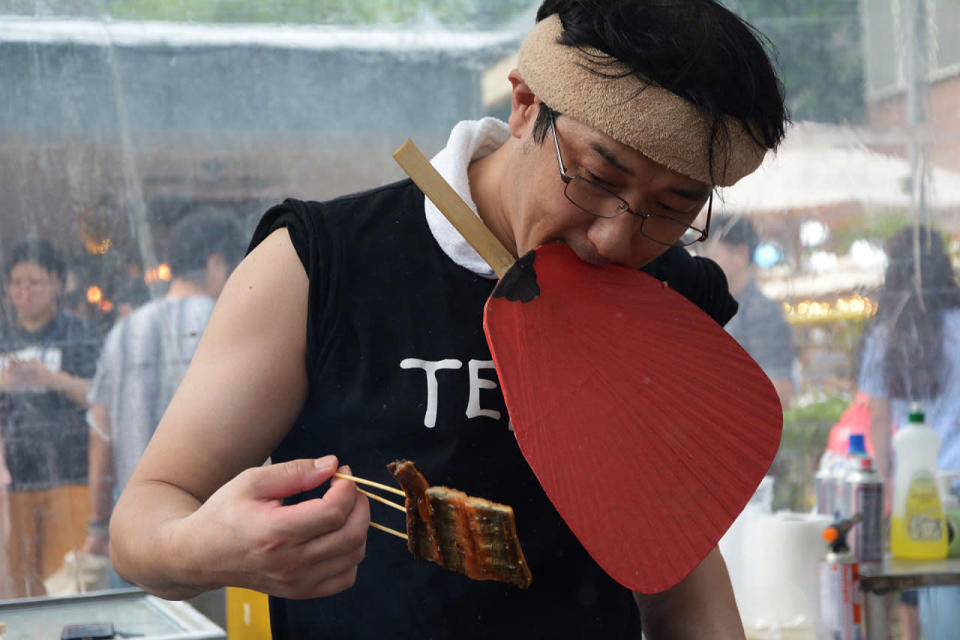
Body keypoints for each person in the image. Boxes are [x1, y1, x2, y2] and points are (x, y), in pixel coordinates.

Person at [109, 2, 787, 637]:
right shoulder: (320, 263)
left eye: (672, 207)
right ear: (525, 106)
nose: (615, 239)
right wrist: (206, 549)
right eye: (596, 177)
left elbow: (677, 578)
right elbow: (144, 518)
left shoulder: (669, 299)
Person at [81, 211, 247, 570]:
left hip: (136, 536)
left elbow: (100, 436)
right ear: (217, 264)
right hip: (217, 531)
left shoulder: (123, 333)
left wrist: (98, 525)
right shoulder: (229, 324)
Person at [858, 225, 960, 640]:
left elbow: (880, 422)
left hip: (914, 490)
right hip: (956, 483)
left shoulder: (886, 335)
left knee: (914, 593)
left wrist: (881, 487)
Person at [0, 237, 101, 597]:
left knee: (66, 585)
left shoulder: (80, 334)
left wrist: (50, 378)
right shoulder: (3, 333)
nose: (24, 291)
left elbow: (99, 397)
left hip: (70, 476)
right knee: (19, 588)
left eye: (35, 282)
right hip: (13, 483)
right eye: (16, 283)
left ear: (57, 284)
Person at [698, 215, 796, 408]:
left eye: (713, 252)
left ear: (741, 254)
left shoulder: (762, 312)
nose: (704, 261)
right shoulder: (711, 304)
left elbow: (778, 390)